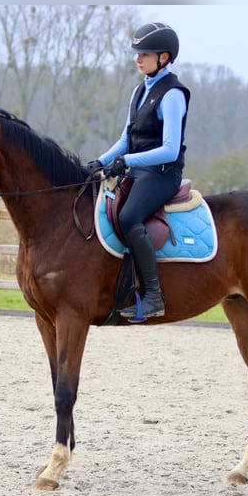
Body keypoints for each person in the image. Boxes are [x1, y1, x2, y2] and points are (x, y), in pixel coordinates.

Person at [88, 22, 191, 322]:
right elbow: (125, 140)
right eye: (137, 53)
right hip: (139, 171)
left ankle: (154, 296)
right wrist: (99, 162)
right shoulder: (139, 91)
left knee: (128, 216)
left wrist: (128, 161)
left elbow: (170, 149)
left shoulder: (173, 94)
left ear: (164, 57)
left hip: (162, 174)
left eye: (144, 54)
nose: (138, 59)